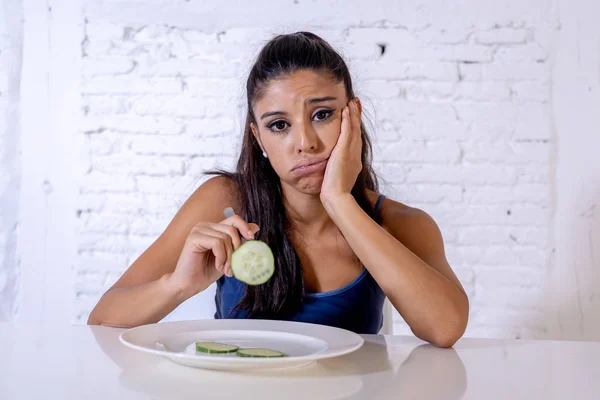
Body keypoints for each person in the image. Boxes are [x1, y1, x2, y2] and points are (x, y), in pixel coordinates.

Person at [88, 31, 469, 347]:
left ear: (352, 115)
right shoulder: (226, 201)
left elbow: (444, 329)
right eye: (279, 125)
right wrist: (178, 285)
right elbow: (103, 319)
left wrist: (338, 200)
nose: (305, 142)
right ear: (258, 138)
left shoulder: (400, 223)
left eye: (322, 115)